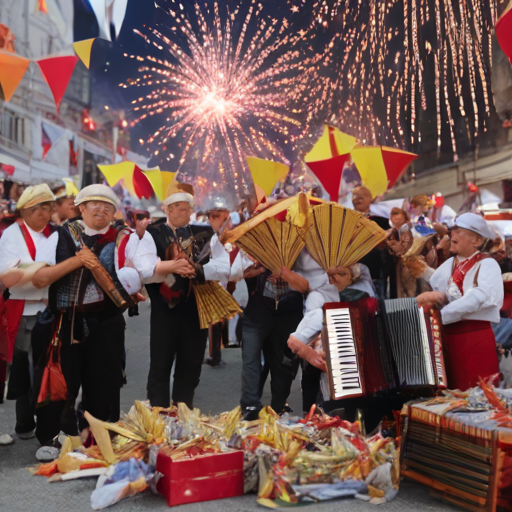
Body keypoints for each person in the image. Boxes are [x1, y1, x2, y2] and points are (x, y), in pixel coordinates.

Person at [32, 184, 139, 442]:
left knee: (105, 381)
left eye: (108, 206)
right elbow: (40, 277)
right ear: (81, 208)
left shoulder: (125, 236)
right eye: (94, 204)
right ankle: (55, 437)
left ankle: (98, 438)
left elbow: (138, 273)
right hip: (66, 321)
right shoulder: (60, 235)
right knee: (62, 383)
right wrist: (78, 261)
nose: (101, 210)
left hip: (107, 321)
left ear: (115, 212)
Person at [132, 192, 230, 408]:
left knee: (192, 363)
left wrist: (197, 270)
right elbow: (145, 270)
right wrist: (172, 267)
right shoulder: (153, 232)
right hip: (163, 308)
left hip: (197, 306)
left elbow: (225, 268)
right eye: (175, 207)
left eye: (185, 207)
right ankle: (158, 415)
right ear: (167, 209)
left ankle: (183, 411)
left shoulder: (204, 232)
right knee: (160, 362)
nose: (180, 211)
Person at [417, 213, 503, 390]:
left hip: (474, 339)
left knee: (477, 394)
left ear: (477, 241)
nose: (452, 235)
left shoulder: (487, 264)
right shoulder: (451, 263)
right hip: (447, 339)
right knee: (450, 395)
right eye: (452, 230)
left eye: (459, 231)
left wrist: (443, 314)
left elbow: (479, 296)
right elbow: (449, 292)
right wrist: (437, 297)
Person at [0, 184, 58, 440]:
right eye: (36, 209)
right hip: (22, 309)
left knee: (46, 367)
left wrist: (28, 270)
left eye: (47, 208)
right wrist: (44, 271)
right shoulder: (11, 234)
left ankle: (44, 423)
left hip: (48, 308)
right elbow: (9, 275)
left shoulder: (56, 233)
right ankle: (24, 424)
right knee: (23, 367)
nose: (43, 213)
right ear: (24, 210)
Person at [352, 186, 392, 297]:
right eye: (354, 197)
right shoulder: (346, 223)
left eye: (361, 197)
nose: (356, 199)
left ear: (370, 198)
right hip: (352, 276)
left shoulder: (382, 222)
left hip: (376, 273)